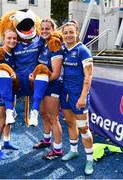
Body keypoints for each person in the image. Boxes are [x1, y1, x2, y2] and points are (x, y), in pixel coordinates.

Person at [60, 20, 94, 175]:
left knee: (83, 128)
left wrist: (82, 97)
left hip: (78, 96)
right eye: (65, 32)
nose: (68, 35)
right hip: (65, 93)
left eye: (71, 32)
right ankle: (73, 150)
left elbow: (89, 77)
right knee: (69, 123)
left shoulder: (83, 50)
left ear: (77, 33)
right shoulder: (63, 49)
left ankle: (89, 160)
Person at [30, 18, 63, 160]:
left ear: (53, 29)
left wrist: (40, 81)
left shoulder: (54, 45)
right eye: (42, 28)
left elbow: (55, 73)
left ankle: (57, 150)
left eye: (47, 28)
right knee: (43, 114)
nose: (44, 31)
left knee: (53, 118)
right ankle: (46, 140)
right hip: (42, 85)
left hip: (52, 85)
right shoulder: (43, 44)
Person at [0, 29, 19, 160]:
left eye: (14, 38)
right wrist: (7, 77)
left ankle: (7, 141)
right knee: (1, 122)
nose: (12, 41)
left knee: (9, 119)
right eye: (9, 38)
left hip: (11, 91)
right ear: (3, 38)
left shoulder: (13, 53)